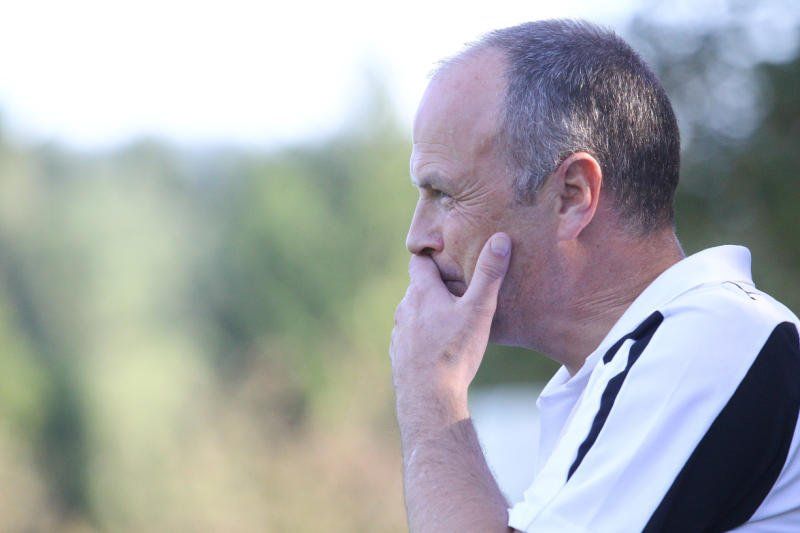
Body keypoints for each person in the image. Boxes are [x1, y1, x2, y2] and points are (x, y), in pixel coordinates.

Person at [389, 19, 800, 532]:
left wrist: (431, 396)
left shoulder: (713, 337)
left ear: (573, 196)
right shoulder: (639, 364)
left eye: (444, 194)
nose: (418, 237)